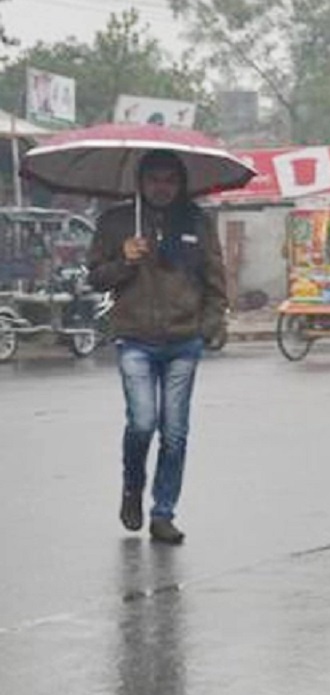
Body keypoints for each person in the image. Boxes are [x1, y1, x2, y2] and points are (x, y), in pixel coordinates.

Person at [87, 150, 228, 545]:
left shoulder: (197, 222)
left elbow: (215, 280)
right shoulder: (116, 222)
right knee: (142, 423)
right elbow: (95, 277)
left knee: (175, 433)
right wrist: (125, 259)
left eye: (170, 180)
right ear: (140, 182)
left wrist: (209, 326)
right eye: (154, 179)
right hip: (134, 338)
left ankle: (163, 513)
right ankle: (132, 486)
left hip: (184, 340)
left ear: (181, 184)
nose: (161, 187)